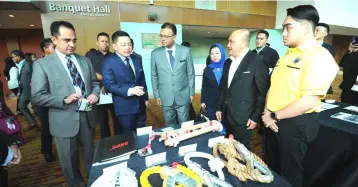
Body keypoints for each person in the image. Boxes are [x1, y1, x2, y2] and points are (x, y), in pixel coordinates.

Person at [261, 5, 338, 187]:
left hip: (295, 123)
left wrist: (274, 116)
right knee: (272, 168)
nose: (284, 33)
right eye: (283, 28)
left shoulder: (320, 57)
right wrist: (267, 112)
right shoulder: (287, 54)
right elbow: (273, 87)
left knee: (290, 174)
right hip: (272, 119)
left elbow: (309, 100)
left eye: (289, 27)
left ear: (305, 28)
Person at [31, 21, 100, 187]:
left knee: (91, 157)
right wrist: (63, 100)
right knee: (69, 162)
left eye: (74, 40)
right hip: (63, 120)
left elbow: (94, 83)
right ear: (54, 40)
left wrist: (94, 94)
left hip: (87, 117)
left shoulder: (84, 61)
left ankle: (95, 182)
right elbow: (37, 96)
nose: (72, 44)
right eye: (66, 40)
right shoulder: (42, 64)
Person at [216, 29, 270, 149]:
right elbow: (224, 89)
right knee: (228, 146)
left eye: (231, 42)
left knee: (242, 149)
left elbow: (262, 93)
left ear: (243, 43)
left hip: (244, 116)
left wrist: (255, 116)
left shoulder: (258, 61)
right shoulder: (227, 63)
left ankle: (244, 168)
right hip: (226, 113)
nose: (228, 45)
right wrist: (219, 107)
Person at [102, 31, 148, 133]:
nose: (128, 47)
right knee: (128, 137)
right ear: (115, 46)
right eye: (123, 45)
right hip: (124, 107)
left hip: (141, 104)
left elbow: (142, 79)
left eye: (129, 44)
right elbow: (109, 85)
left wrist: (146, 98)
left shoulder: (137, 58)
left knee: (143, 133)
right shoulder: (108, 62)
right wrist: (130, 90)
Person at [151, 22, 195, 127]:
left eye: (166, 36)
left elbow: (190, 73)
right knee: (170, 126)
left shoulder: (185, 51)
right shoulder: (155, 53)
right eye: (161, 35)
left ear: (174, 37)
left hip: (183, 95)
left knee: (185, 125)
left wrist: (191, 92)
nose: (162, 39)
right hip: (165, 96)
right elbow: (154, 75)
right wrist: (156, 95)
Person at [85, 32, 121, 138]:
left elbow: (118, 73)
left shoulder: (114, 56)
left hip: (113, 92)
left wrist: (108, 84)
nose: (105, 43)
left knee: (117, 118)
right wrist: (106, 81)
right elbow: (89, 72)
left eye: (107, 41)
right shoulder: (90, 55)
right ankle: (107, 143)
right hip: (98, 92)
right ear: (97, 42)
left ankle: (119, 140)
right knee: (102, 120)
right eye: (102, 41)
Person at [35, 38, 56, 162]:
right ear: (46, 49)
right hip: (46, 102)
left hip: (64, 101)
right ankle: (47, 151)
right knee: (47, 128)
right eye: (54, 47)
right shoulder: (40, 64)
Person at [12, 50, 37, 131]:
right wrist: (19, 91)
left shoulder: (28, 64)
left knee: (38, 109)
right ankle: (32, 123)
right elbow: (21, 80)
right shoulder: (20, 65)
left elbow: (35, 78)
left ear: (18, 57)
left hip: (32, 91)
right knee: (21, 106)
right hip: (25, 91)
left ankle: (46, 127)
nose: (12, 59)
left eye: (13, 57)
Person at [201, 44, 226, 120]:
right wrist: (203, 101)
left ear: (222, 53)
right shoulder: (207, 69)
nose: (215, 56)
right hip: (211, 101)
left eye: (217, 53)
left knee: (225, 123)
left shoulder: (228, 67)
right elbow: (204, 86)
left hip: (225, 101)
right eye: (212, 54)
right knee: (213, 122)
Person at [315, 22, 336, 94]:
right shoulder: (304, 46)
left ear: (325, 34)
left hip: (319, 84)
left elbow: (329, 67)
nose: (314, 32)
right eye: (313, 30)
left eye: (317, 30)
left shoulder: (330, 49)